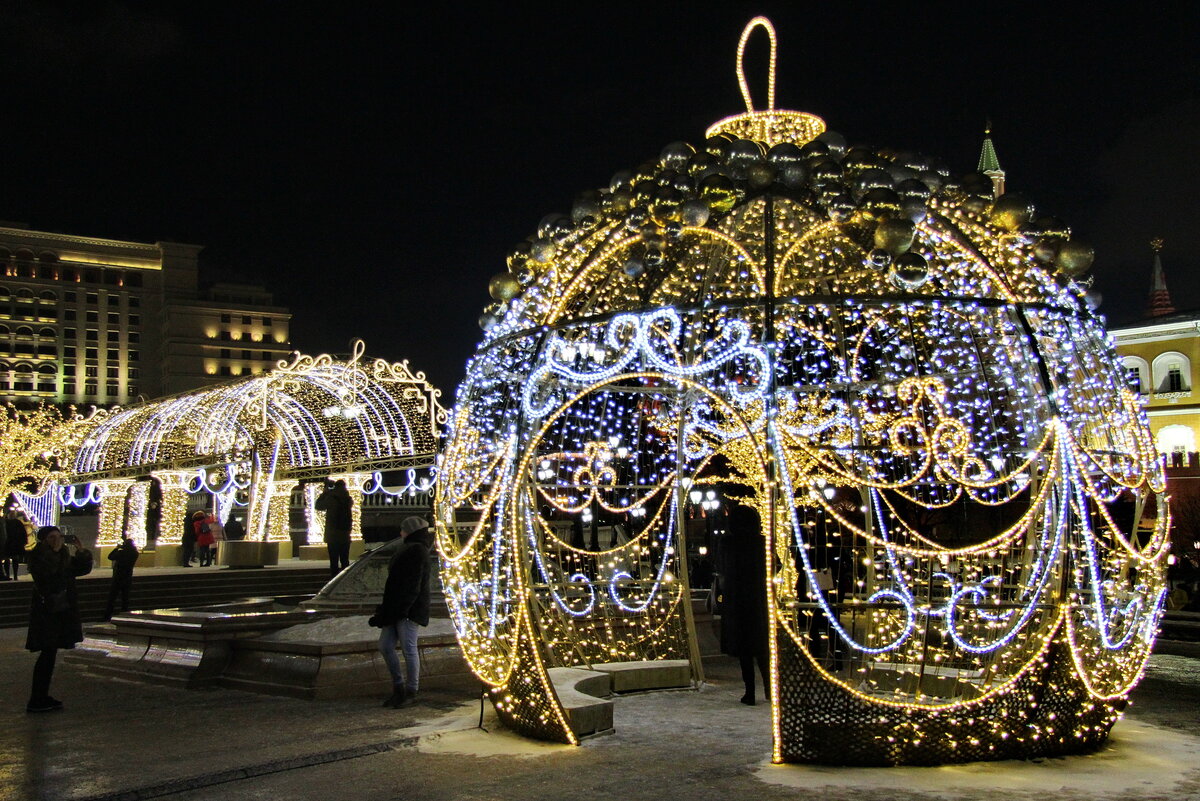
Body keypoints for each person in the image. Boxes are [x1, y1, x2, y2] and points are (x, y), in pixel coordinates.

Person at [25, 526, 92, 712]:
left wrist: (82, 552)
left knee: (50, 654)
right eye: (52, 537)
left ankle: (41, 696)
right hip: (47, 612)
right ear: (44, 540)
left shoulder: (63, 556)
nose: (57, 540)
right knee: (46, 653)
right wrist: (55, 552)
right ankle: (37, 698)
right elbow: (48, 576)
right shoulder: (39, 556)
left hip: (61, 610)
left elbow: (81, 569)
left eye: (59, 537)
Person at [370, 516, 433, 708]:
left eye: (403, 530)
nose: (400, 533)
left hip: (407, 610)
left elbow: (412, 585)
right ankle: (399, 687)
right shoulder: (410, 549)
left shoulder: (416, 551)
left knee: (408, 649)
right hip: (396, 608)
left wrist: (403, 609)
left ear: (410, 531)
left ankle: (410, 690)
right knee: (385, 645)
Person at [717, 502, 769, 706]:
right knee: (762, 648)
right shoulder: (761, 542)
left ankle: (750, 692)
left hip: (736, 600)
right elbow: (776, 565)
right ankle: (769, 688)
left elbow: (721, 567)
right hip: (758, 599)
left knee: (745, 651)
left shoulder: (728, 543)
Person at [315, 479, 353, 578]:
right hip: (345, 535)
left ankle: (334, 581)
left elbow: (318, 506)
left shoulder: (331, 498)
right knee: (345, 561)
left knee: (334, 561)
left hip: (333, 535)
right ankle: (345, 580)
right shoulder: (348, 499)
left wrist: (325, 493)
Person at [104, 534, 139, 620]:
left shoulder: (121, 553)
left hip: (118, 577)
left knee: (112, 598)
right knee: (125, 599)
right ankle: (125, 614)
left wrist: (117, 548)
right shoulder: (135, 553)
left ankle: (107, 615)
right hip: (127, 578)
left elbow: (110, 557)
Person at [4, 511, 29, 580]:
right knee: (12, 559)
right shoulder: (17, 522)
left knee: (10, 559)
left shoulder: (7, 522)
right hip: (14, 543)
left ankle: (11, 574)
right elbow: (23, 533)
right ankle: (12, 575)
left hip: (11, 543)